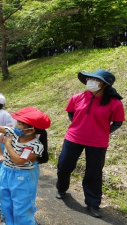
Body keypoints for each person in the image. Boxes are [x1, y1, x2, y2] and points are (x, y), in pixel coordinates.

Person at [56, 69, 125, 218]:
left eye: (95, 80)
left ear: (105, 85)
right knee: (64, 165)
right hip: (73, 137)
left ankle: (93, 203)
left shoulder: (115, 103)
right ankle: (61, 189)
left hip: (98, 142)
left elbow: (118, 122)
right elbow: (71, 112)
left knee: (94, 173)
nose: (90, 82)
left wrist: (103, 132)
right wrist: (77, 124)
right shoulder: (77, 97)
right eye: (89, 79)